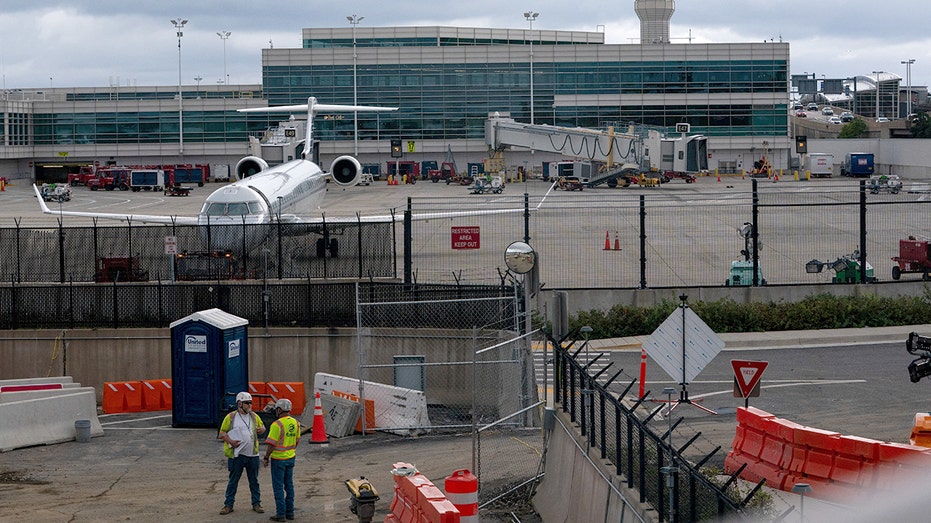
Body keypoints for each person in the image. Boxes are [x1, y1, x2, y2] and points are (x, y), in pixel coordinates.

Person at [218, 391, 266, 515]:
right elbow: (222, 433)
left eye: (250, 402)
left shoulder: (254, 416)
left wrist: (262, 429)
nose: (250, 405)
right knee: (233, 480)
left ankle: (256, 503)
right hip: (237, 455)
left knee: (254, 480)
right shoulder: (231, 417)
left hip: (252, 454)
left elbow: (263, 427)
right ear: (239, 403)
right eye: (247, 403)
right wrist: (231, 442)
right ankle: (228, 505)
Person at [264, 398, 301, 521]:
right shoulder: (296, 423)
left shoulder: (277, 424)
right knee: (289, 485)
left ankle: (280, 514)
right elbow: (297, 440)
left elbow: (271, 444)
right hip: (291, 458)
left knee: (278, 487)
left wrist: (266, 457)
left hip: (278, 460)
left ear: (279, 410)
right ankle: (290, 512)